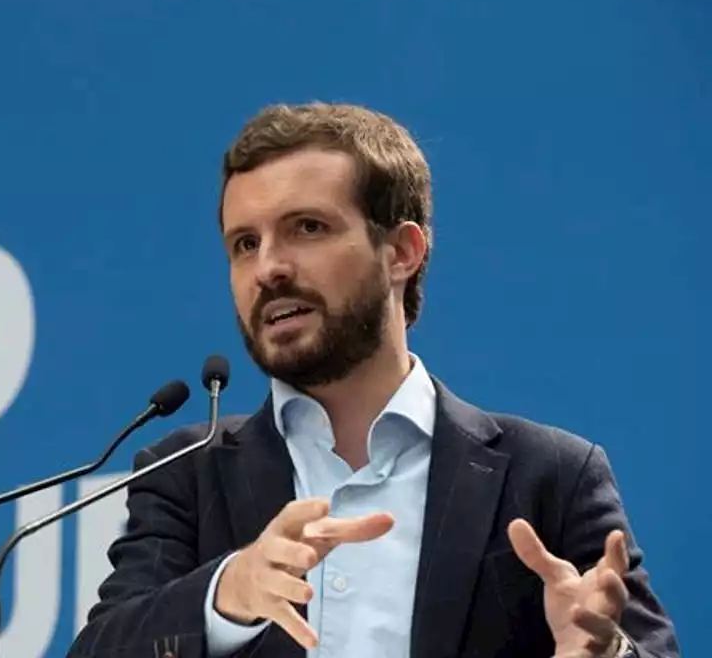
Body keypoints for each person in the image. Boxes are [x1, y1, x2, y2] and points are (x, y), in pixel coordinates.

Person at [67, 103, 680, 658]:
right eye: (244, 244)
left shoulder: (550, 476)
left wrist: (609, 655)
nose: (269, 268)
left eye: (307, 228)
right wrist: (227, 593)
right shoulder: (187, 475)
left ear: (402, 253)